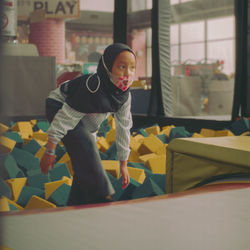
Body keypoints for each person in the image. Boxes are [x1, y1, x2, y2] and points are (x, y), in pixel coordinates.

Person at [40, 43, 136, 206]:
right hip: (59, 106)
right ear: (107, 66)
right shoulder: (92, 87)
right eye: (121, 67)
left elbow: (124, 127)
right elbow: (66, 117)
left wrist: (123, 164)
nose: (128, 74)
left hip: (83, 118)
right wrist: (50, 150)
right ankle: (102, 197)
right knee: (87, 146)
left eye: (132, 68)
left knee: (85, 162)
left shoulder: (123, 96)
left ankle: (76, 203)